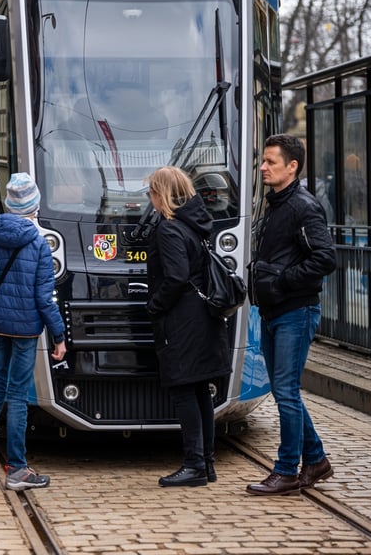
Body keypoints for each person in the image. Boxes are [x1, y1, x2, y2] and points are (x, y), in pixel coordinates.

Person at [246, 133, 337, 496]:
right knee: (287, 393)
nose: (263, 168)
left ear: (292, 166)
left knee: (286, 391)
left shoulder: (303, 206)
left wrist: (283, 281)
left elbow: (325, 258)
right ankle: (315, 461)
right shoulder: (277, 205)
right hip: (274, 311)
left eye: (271, 162)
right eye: (263, 161)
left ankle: (286, 471)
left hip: (295, 312)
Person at [0, 172, 66, 491]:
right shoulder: (38, 243)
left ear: (9, 205)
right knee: (18, 396)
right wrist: (59, 336)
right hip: (24, 329)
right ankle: (18, 470)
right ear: (33, 207)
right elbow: (43, 298)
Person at [144, 166, 231, 487]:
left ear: (160, 194)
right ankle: (206, 464)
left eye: (151, 192)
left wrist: (154, 306)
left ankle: (194, 464)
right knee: (199, 392)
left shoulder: (169, 229)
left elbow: (176, 277)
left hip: (182, 322)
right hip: (203, 319)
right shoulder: (195, 224)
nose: (150, 198)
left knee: (184, 391)